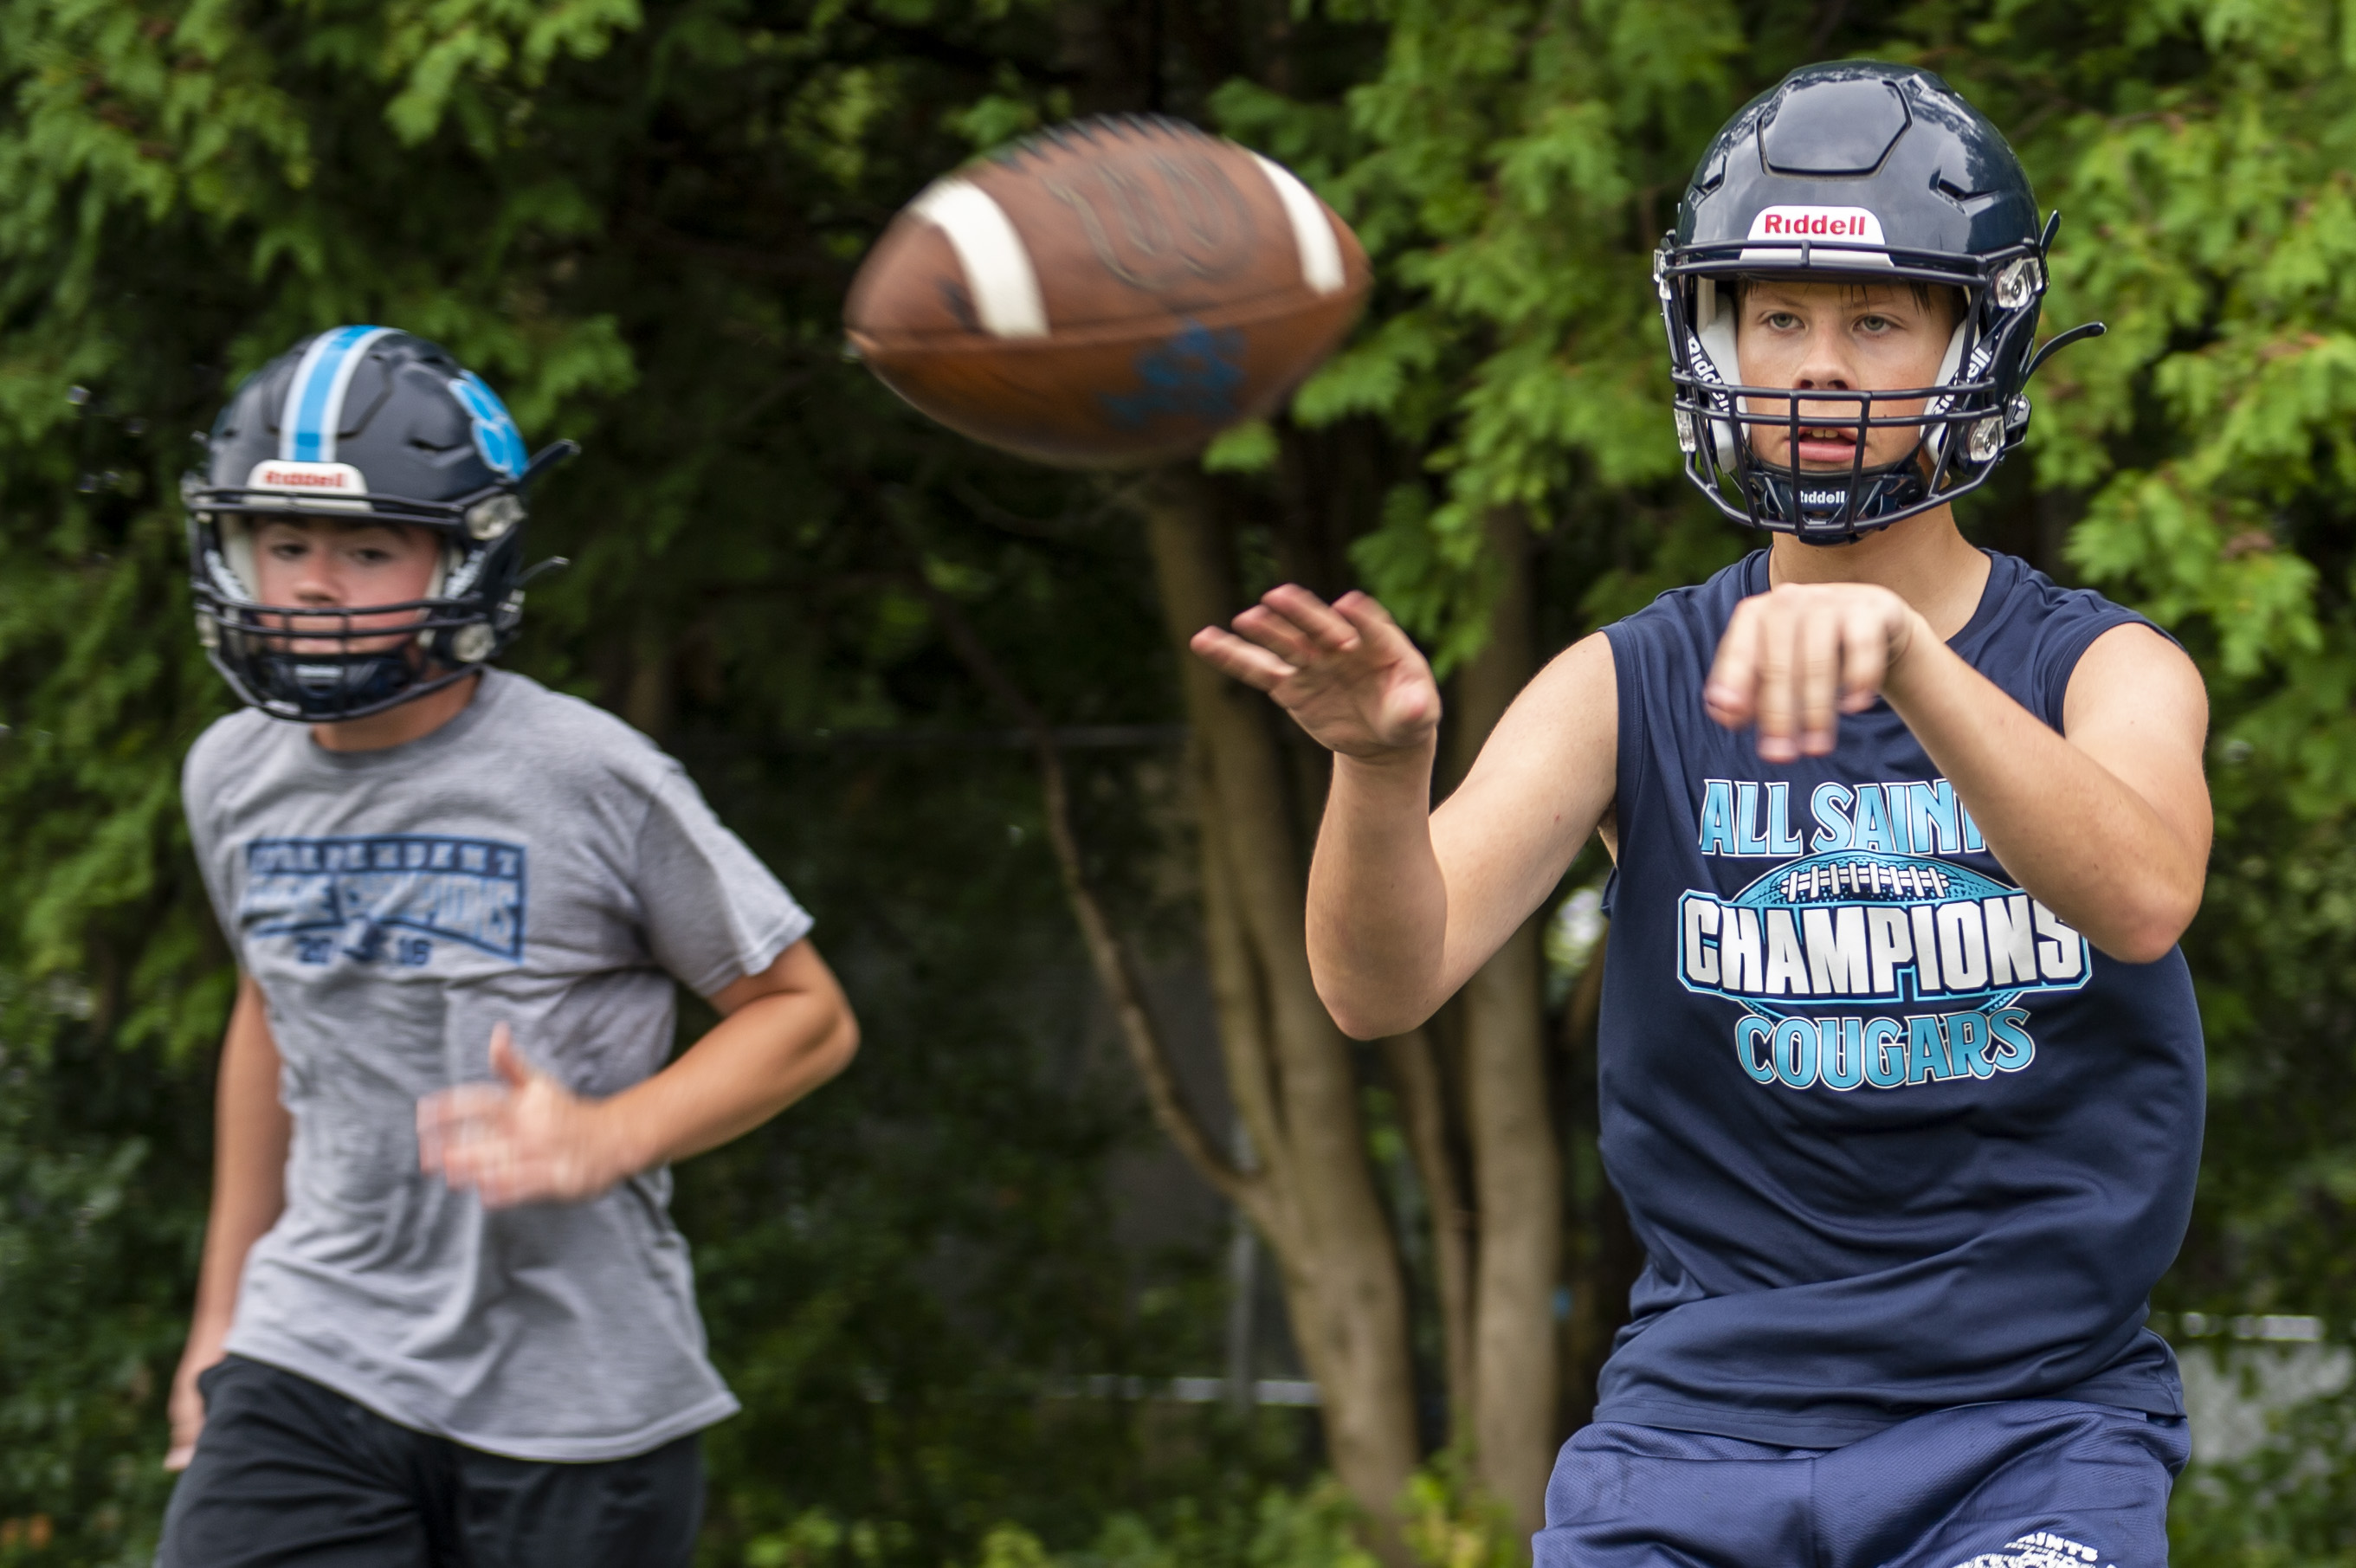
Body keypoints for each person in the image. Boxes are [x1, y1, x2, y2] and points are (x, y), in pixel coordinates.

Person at [1192, 62, 2206, 1568]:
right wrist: (1379, 770)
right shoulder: (1628, 678)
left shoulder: (2102, 667)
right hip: (1691, 1436)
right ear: (1711, 339)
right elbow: (1374, 986)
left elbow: (2138, 896)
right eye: (1775, 318)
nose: (1816, 367)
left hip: (2028, 1435)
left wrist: (1906, 660)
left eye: (1874, 321)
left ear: (1973, 341)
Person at [160, 326, 859, 1567]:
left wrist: (609, 1133)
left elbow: (804, 1015)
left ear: (465, 558)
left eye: (367, 548)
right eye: (284, 543)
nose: (312, 583)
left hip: (576, 1396)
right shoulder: (228, 775)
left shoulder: (585, 774)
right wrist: (219, 1320)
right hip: (313, 1347)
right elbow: (272, 1011)